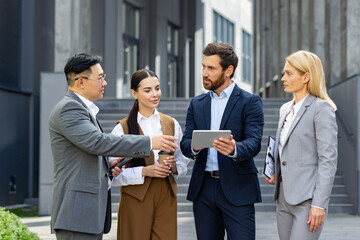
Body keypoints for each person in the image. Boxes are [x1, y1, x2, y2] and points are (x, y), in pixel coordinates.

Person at [49, 53, 178, 240]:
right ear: (81, 82)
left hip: (86, 213)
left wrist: (110, 166)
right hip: (77, 213)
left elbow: (89, 151)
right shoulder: (69, 109)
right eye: (100, 78)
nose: (105, 83)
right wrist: (149, 141)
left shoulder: (84, 110)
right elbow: (98, 142)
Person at [180, 43, 264, 240]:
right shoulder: (196, 103)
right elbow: (185, 142)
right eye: (203, 67)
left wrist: (235, 148)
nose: (204, 73)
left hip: (238, 188)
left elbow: (254, 142)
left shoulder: (249, 101)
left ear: (229, 71)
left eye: (211, 68)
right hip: (204, 189)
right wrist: (193, 146)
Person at [265, 50, 338, 240]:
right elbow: (285, 148)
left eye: (289, 73)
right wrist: (274, 169)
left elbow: (327, 160)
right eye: (284, 73)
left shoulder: (321, 109)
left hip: (308, 201)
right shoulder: (285, 109)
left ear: (306, 76)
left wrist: (319, 204)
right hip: (283, 198)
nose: (283, 78)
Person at [111, 69, 190, 240]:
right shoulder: (122, 128)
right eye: (147, 90)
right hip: (135, 196)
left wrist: (174, 166)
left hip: (166, 194)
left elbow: (183, 163)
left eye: (157, 88)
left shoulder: (171, 123)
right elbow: (112, 175)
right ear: (134, 93)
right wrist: (145, 171)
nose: (155, 94)